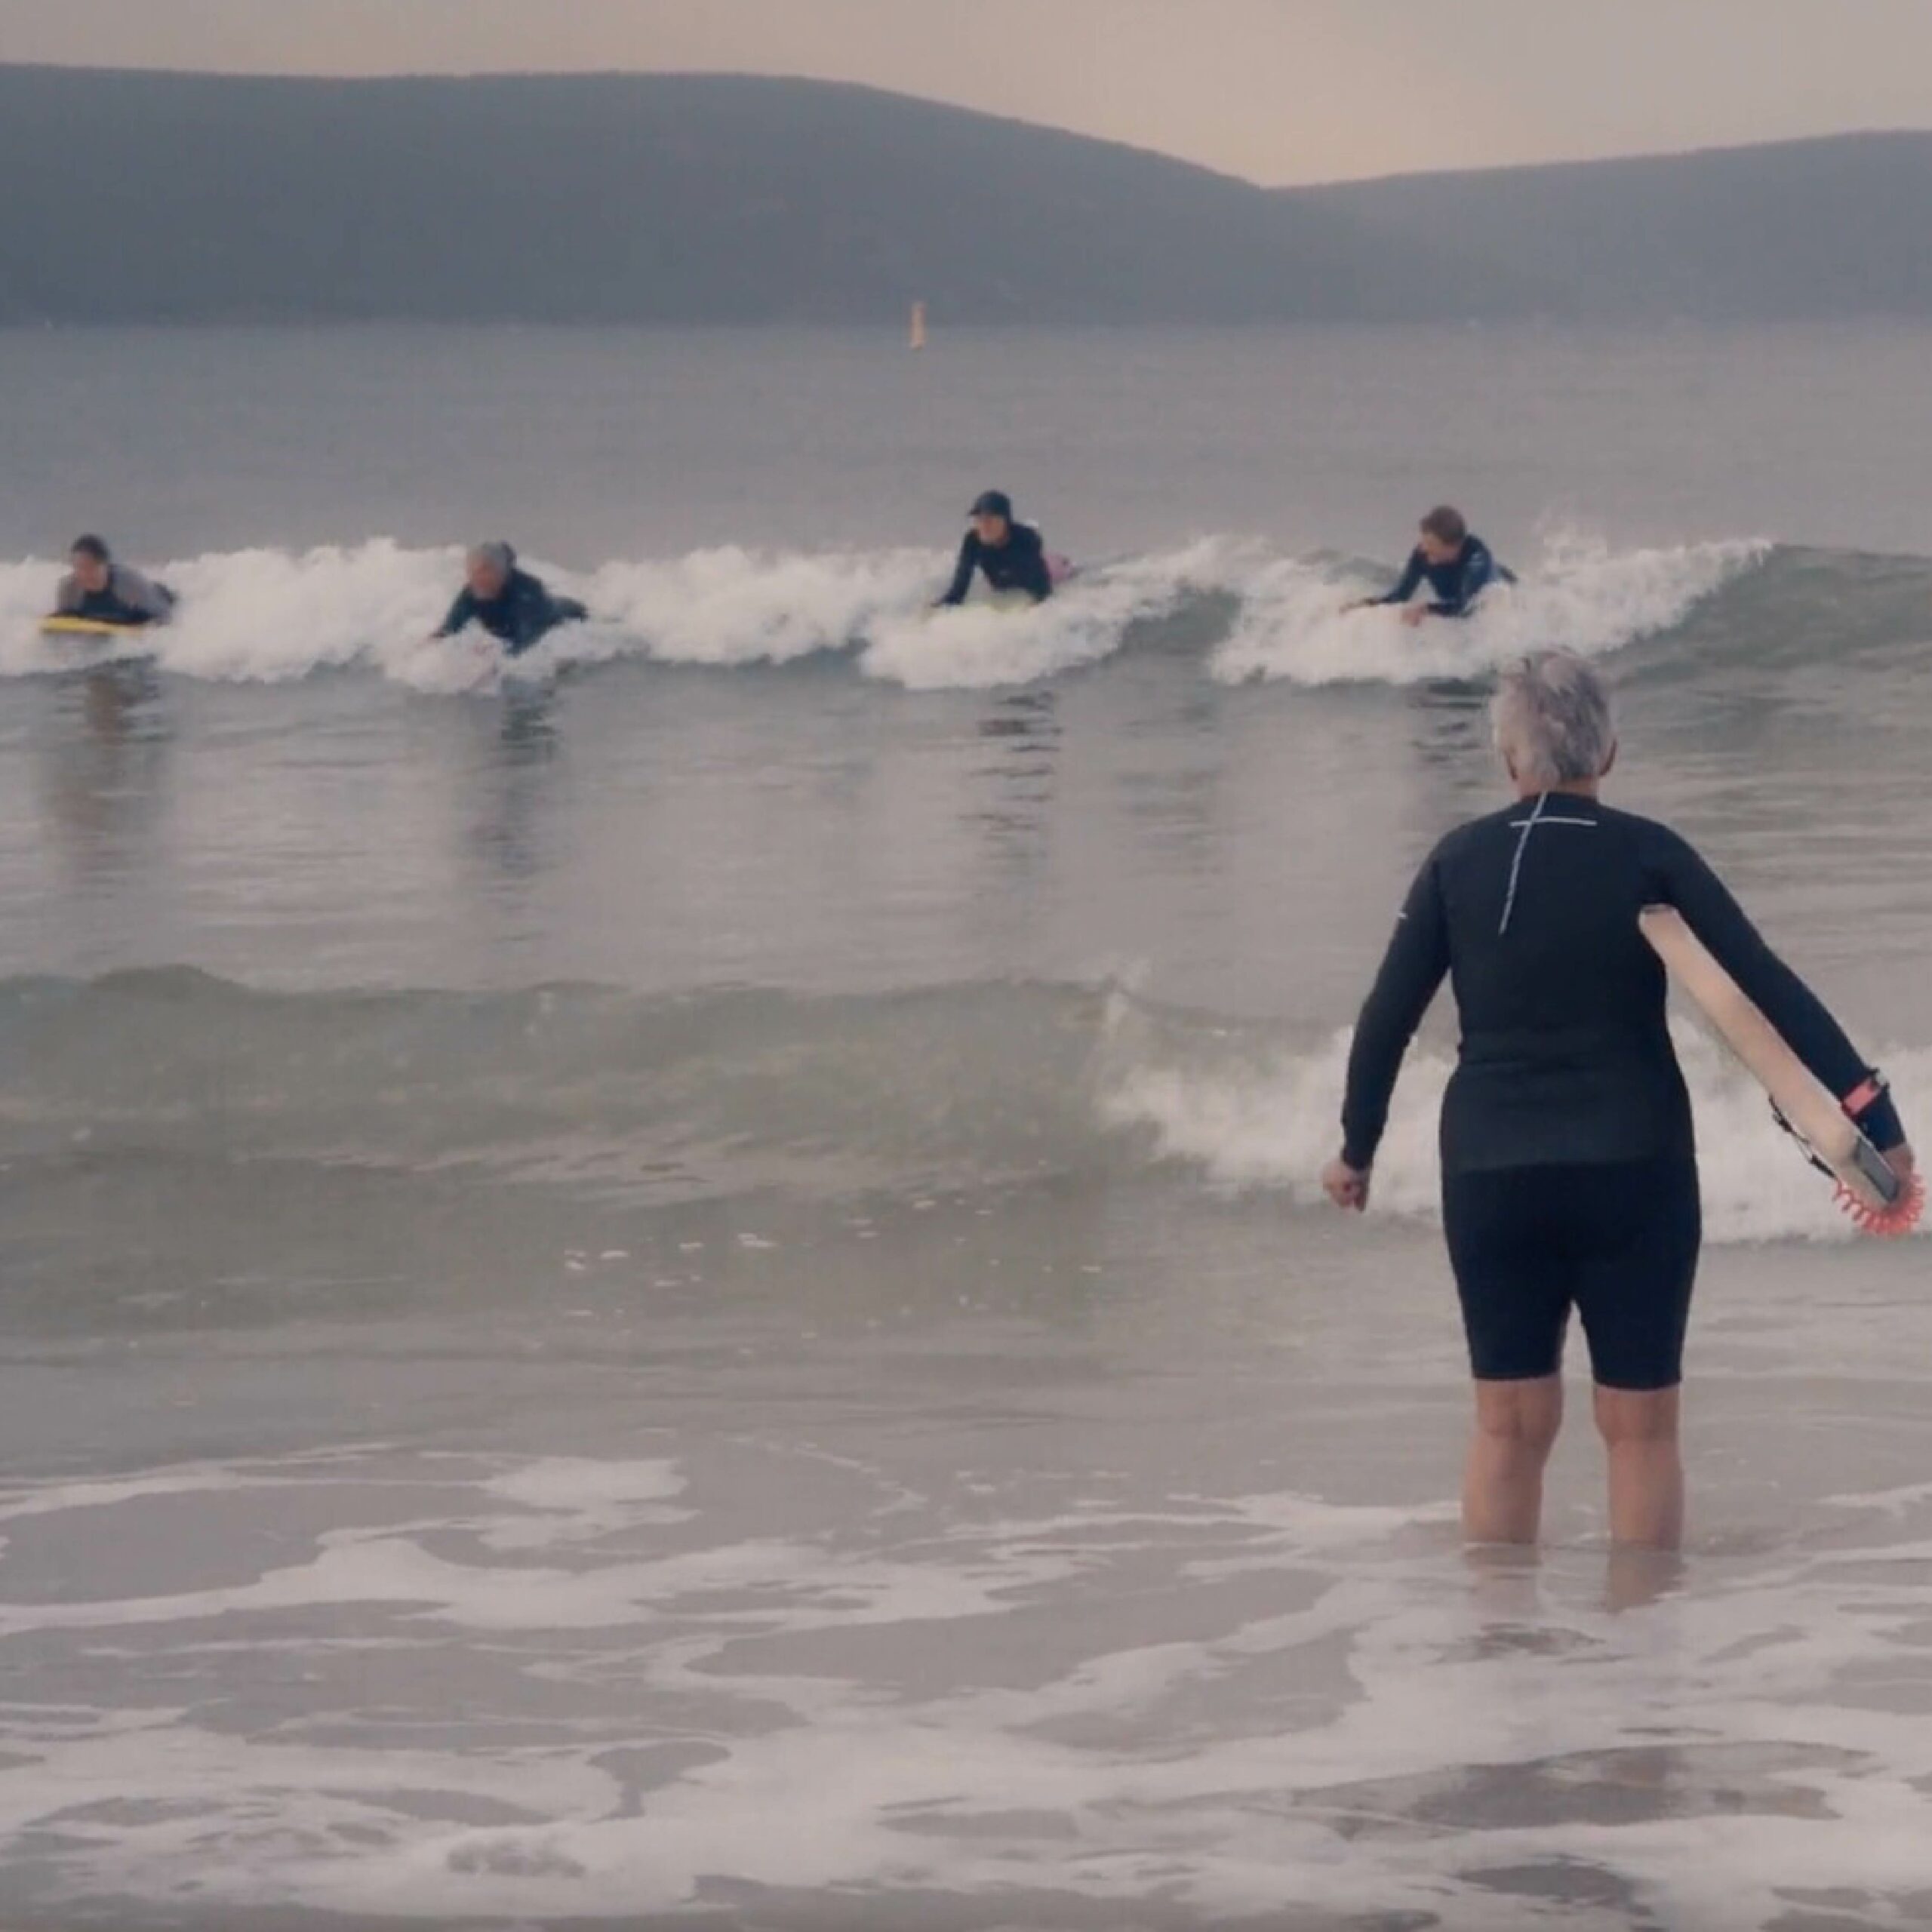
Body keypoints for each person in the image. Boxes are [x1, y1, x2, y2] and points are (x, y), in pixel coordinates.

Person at [1320, 651, 1912, 1551]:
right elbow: (1764, 989)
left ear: (1507, 759)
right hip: (1634, 1165)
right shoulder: (1648, 853)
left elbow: (1385, 1020)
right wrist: (1877, 1122)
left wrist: (1355, 1149)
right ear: (1611, 753)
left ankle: (1501, 1644)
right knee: (1639, 1431)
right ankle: (1639, 1661)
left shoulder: (1455, 863)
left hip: (1491, 1172)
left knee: (1506, 1427)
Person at [1348, 505, 1514, 626]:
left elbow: (1465, 607)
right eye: (1423, 541)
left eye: (1431, 544)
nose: (1423, 548)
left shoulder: (1477, 561)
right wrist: (1366, 605)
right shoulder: (1423, 554)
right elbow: (1401, 595)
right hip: (1458, 601)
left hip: (1506, 597)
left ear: (1453, 547)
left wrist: (1426, 609)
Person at [435, 543, 588, 657]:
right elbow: (448, 629)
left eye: (483, 572)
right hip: (517, 633)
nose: (476, 580)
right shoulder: (471, 591)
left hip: (570, 620)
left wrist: (495, 661)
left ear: (500, 572)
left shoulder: (526, 591)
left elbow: (528, 639)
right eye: (472, 573)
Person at [936, 491, 1055, 608]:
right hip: (1001, 581)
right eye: (979, 520)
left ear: (1005, 521)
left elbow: (1043, 589)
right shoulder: (972, 541)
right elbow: (959, 588)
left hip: (1030, 576)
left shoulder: (1025, 540)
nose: (983, 526)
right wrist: (941, 608)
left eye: (989, 521)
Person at [52, 535, 176, 627]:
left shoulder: (128, 583)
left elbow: (163, 615)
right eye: (79, 568)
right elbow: (63, 622)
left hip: (157, 600)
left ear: (105, 565)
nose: (84, 575)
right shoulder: (69, 588)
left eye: (90, 568)